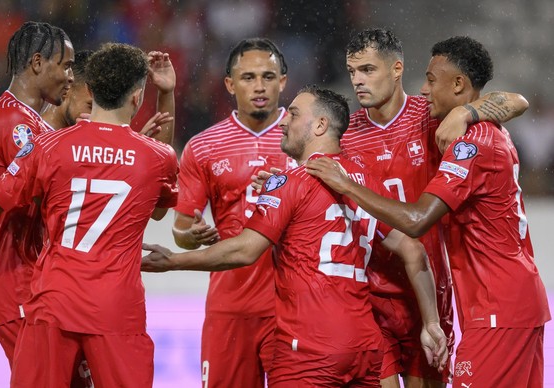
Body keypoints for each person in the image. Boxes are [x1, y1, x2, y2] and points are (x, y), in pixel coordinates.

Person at [142, 85, 448, 387]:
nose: (284, 121)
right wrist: (431, 323)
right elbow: (414, 251)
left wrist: (173, 260)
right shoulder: (364, 182)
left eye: (293, 113)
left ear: (320, 125)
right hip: (364, 344)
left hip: (310, 349)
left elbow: (245, 251)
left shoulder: (291, 182)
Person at [306, 36, 551, 388]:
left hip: (440, 295)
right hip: (375, 298)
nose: (357, 79)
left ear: (396, 70)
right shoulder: (348, 134)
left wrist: (466, 111)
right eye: (352, 71)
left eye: (367, 69)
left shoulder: (437, 118)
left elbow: (517, 100)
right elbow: (308, 167)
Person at [0, 42, 179, 387]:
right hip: (115, 309)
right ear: (136, 97)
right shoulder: (156, 157)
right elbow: (159, 210)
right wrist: (167, 96)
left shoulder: (46, 146)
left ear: (90, 89)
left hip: (53, 304)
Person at [171, 38, 295, 388]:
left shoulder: (305, 137)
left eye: (269, 76)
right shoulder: (203, 146)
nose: (259, 86)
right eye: (248, 77)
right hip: (230, 307)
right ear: (229, 84)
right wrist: (189, 236)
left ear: (283, 81)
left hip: (293, 306)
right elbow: (181, 229)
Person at [0, 21, 74, 366]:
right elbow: (40, 196)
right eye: (65, 66)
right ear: (37, 63)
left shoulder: (37, 124)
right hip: (16, 281)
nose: (70, 77)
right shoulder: (9, 120)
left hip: (35, 281)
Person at [41, 49, 177, 144]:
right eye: (91, 105)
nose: (97, 115)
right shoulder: (34, 137)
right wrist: (130, 148)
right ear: (67, 89)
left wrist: (165, 92)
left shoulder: (89, 139)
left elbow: (160, 170)